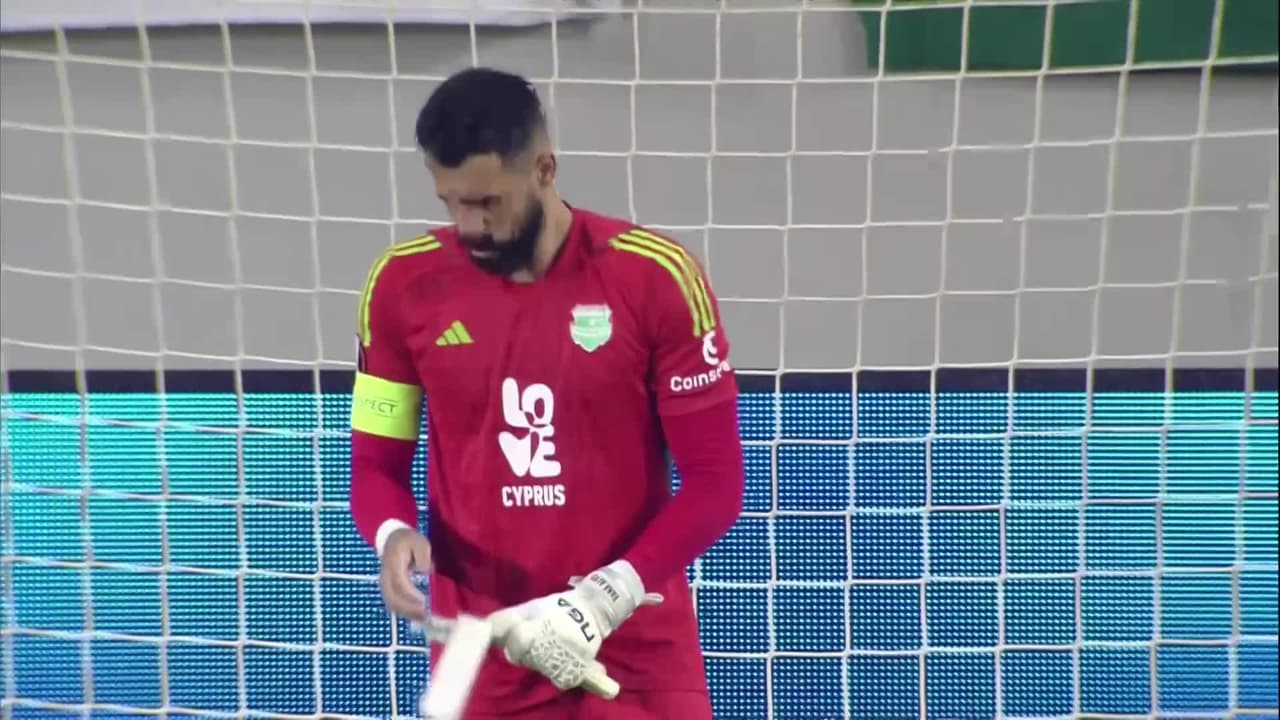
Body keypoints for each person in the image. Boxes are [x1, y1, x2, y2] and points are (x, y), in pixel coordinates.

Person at [348, 66, 744, 719]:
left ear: (544, 169)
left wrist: (601, 600)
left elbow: (716, 481)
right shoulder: (399, 286)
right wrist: (391, 531)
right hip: (483, 661)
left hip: (632, 651)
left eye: (487, 204)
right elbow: (375, 465)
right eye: (450, 201)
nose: (467, 225)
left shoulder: (657, 278)